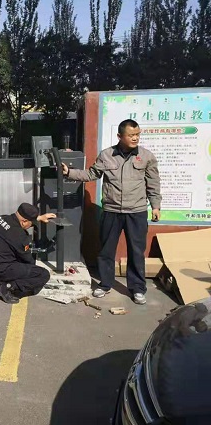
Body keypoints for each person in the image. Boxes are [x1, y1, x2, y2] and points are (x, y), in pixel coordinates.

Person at [62, 119, 162, 305]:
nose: (135, 138)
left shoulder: (146, 156)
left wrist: (155, 206)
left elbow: (153, 183)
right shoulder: (106, 155)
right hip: (111, 211)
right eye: (131, 135)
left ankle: (137, 289)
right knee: (106, 250)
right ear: (120, 136)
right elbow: (91, 174)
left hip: (136, 212)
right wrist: (69, 172)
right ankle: (105, 284)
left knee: (136, 251)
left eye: (137, 134)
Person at [0, 203, 56, 304]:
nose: (31, 226)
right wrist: (31, 273)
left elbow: (18, 223)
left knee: (9, 254)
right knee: (42, 274)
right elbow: (27, 260)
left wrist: (39, 218)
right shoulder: (19, 235)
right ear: (24, 221)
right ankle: (6, 288)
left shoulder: (2, 218)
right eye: (32, 223)